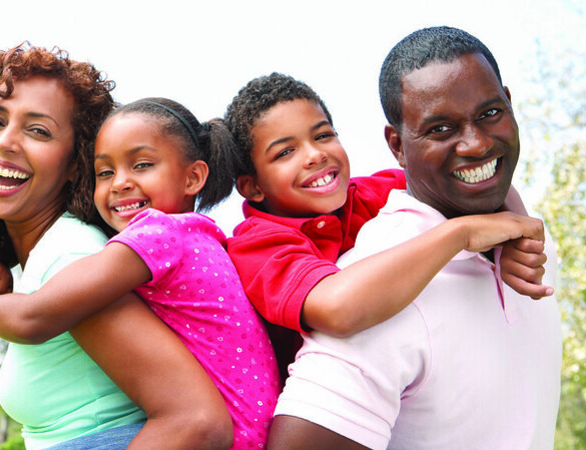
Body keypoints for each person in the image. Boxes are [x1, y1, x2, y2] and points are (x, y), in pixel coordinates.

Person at [267, 26, 563, 449]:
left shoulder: (529, 242)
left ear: (510, 104)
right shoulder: (382, 289)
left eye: (490, 113)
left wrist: (516, 225)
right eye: (440, 129)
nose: (476, 144)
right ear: (398, 146)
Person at [0, 45, 232, 450]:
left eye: (38, 130)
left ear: (76, 163)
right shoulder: (53, 255)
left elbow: (199, 421)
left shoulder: (71, 257)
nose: (6, 142)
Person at [0, 97, 282, 449]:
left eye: (142, 165)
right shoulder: (198, 237)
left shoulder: (159, 234)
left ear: (193, 177)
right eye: (105, 172)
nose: (120, 183)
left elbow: (32, 318)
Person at [223, 72, 552, 380]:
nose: (315, 155)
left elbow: (470, 182)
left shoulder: (373, 193)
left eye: (323, 136)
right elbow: (337, 310)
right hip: (329, 405)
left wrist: (516, 239)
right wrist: (460, 234)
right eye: (285, 152)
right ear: (253, 187)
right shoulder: (258, 246)